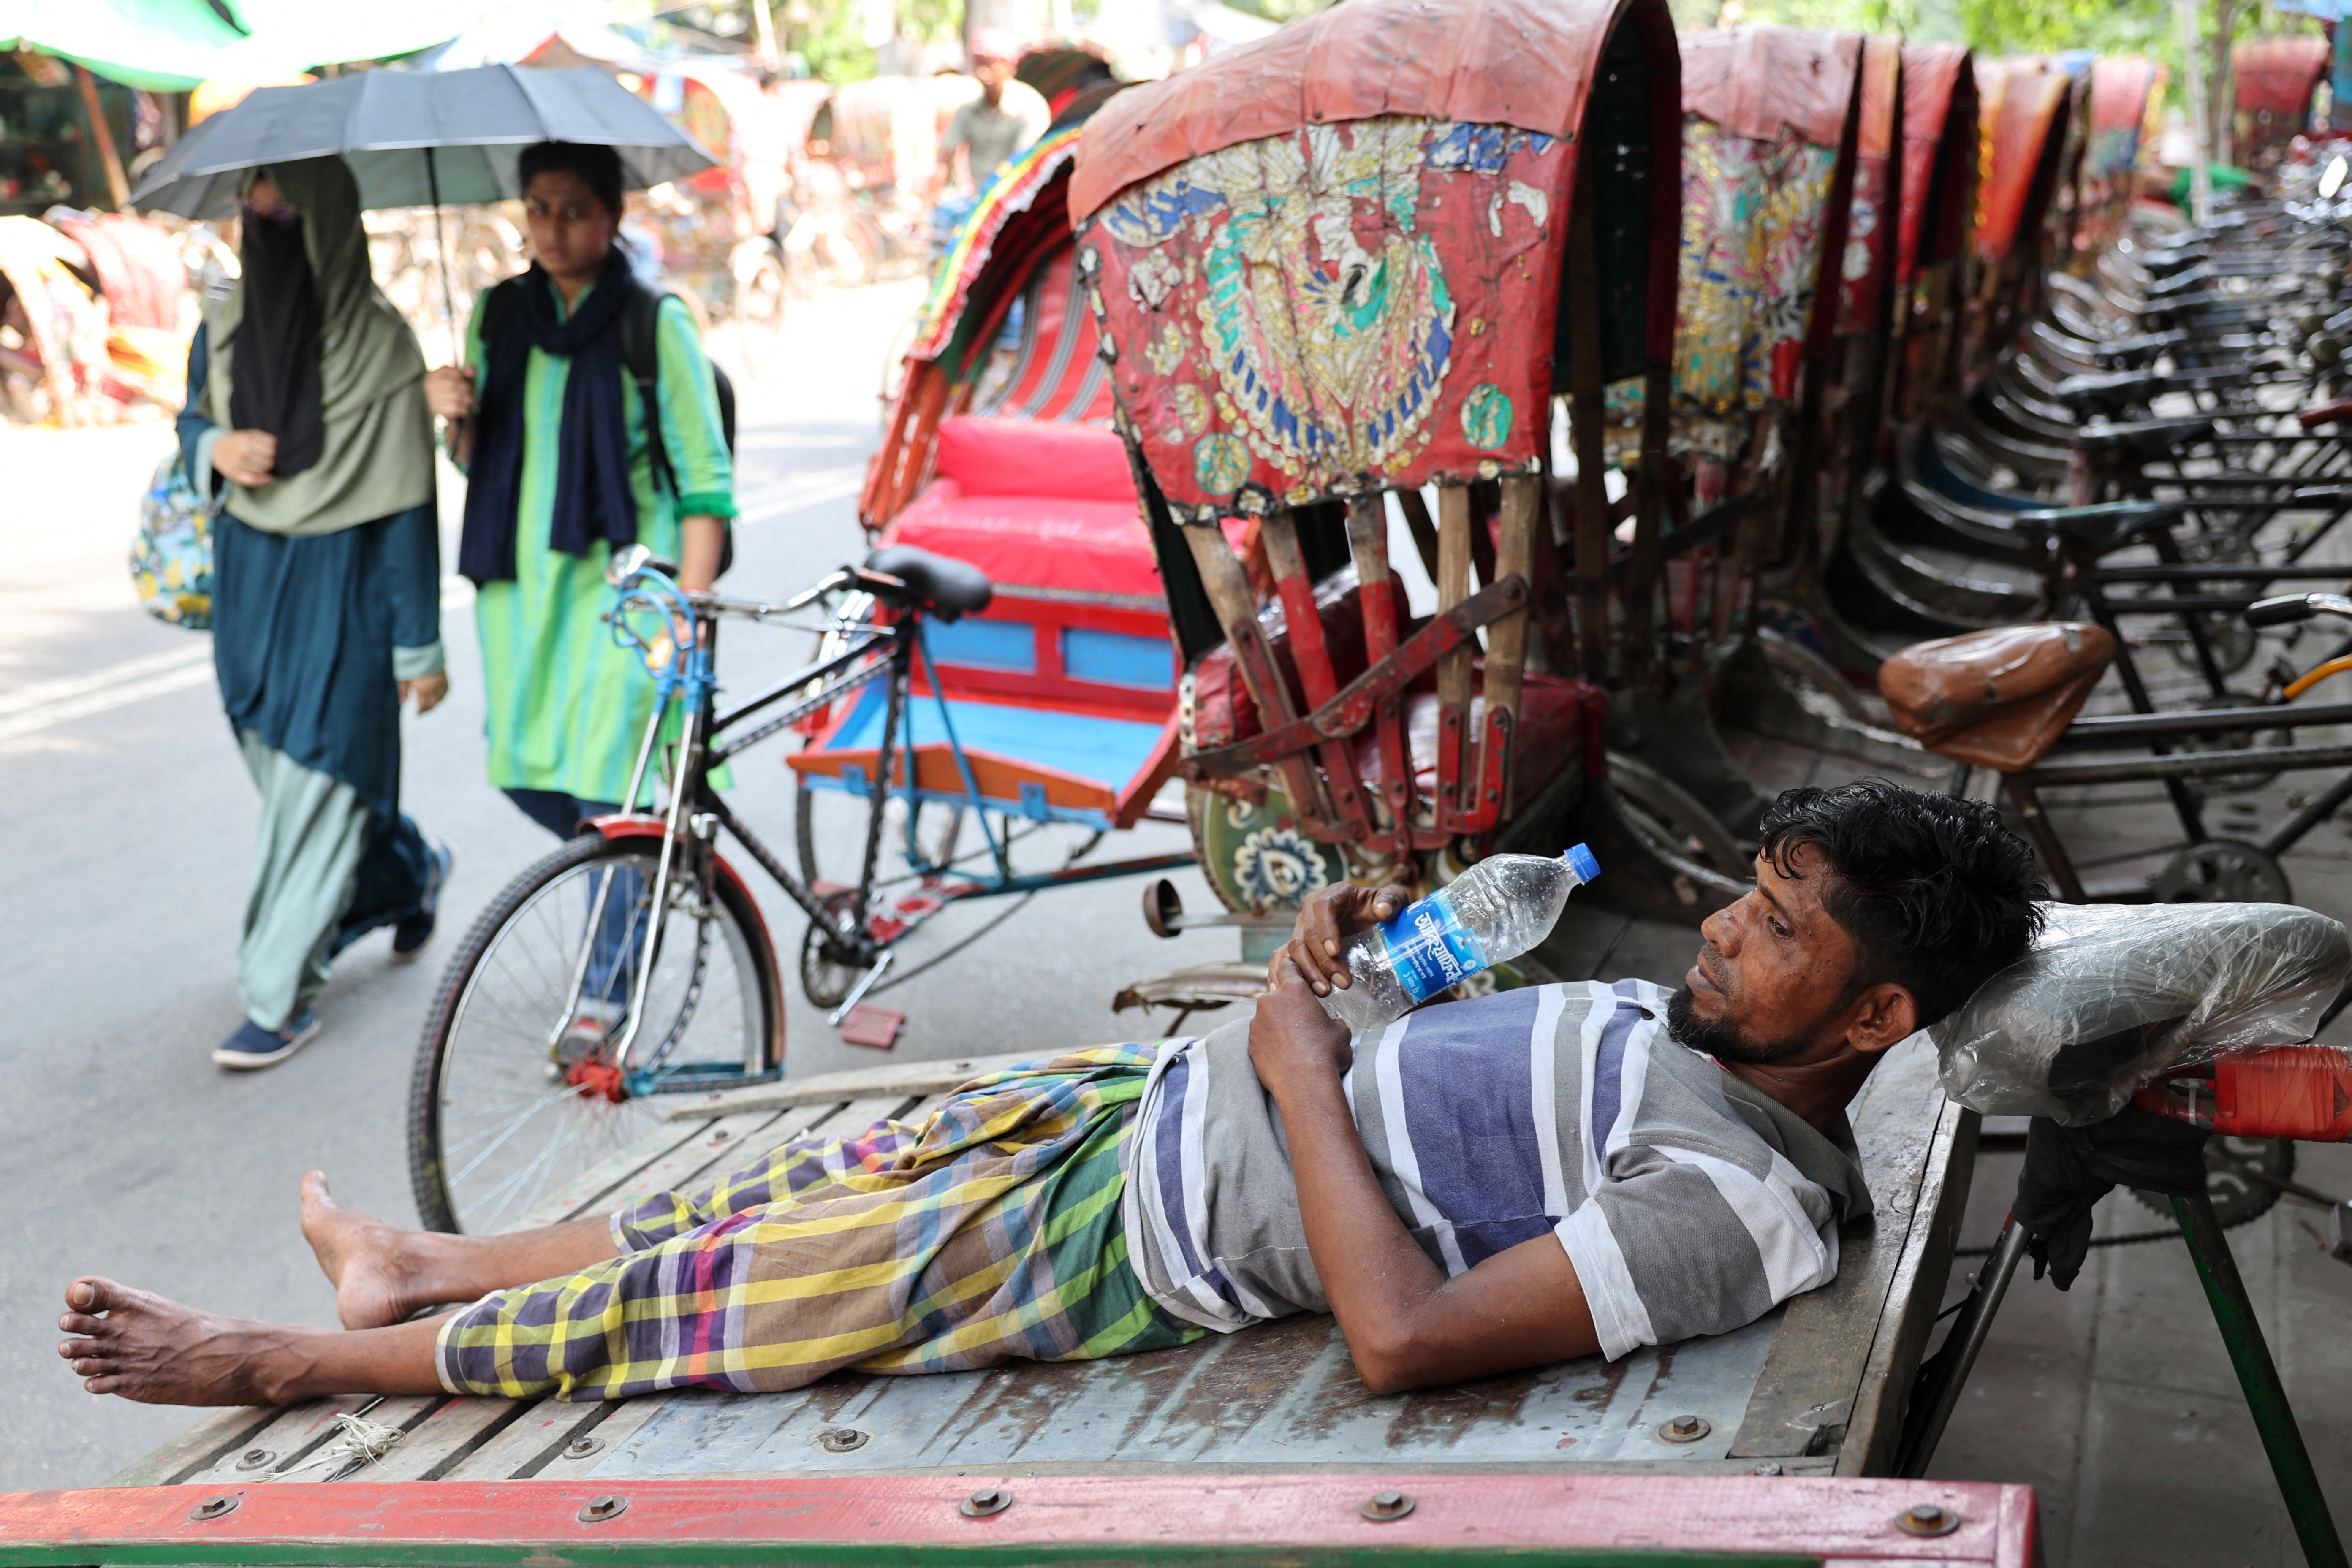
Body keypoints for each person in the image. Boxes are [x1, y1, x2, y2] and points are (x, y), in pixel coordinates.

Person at [58, 780, 2043, 1406]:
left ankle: (283, 1361)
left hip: (1141, 1230)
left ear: (1866, 1016)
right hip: (1152, 1108)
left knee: (720, 1307)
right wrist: (1344, 993)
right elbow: (1470, 1096)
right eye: (1741, 892)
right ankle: (415, 1264)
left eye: (1773, 929)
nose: (1713, 931)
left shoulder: (1745, 1203)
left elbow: (1401, 1333)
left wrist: (1298, 1075)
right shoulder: (1705, 1034)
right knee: (743, 1195)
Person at [421, 141, 735, 1042]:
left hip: (628, 599)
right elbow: (482, 461)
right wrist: (457, 414)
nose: (552, 229)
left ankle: (603, 996)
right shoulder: (496, 314)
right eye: (538, 208)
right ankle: (644, 865)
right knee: (529, 774)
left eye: (573, 210)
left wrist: (693, 613)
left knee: (614, 795)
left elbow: (705, 481)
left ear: (614, 217)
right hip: (519, 591)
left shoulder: (653, 322)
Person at [175, 157, 451, 1072]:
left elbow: (409, 504)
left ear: (331, 222)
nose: (269, 229)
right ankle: (412, 870)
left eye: (288, 214)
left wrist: (420, 643)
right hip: (251, 585)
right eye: (257, 215)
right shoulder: (221, 321)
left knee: (325, 777)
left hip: (349, 592)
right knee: (283, 766)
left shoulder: (383, 347)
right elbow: (186, 426)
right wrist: (218, 443)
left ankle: (278, 990)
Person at [931, 30, 1051, 201]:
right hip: (980, 201)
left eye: (990, 65)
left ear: (1010, 68)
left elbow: (1022, 164)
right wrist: (925, 210)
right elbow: (944, 160)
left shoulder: (1030, 107)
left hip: (1019, 199)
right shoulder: (968, 111)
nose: (983, 74)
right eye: (979, 65)